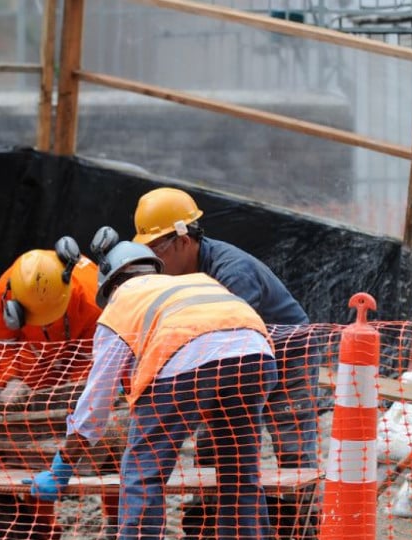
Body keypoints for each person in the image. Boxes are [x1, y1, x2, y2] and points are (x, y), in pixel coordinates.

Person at [27, 240, 278, 540]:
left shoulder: (120, 307)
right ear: (151, 269)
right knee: (241, 478)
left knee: (143, 481)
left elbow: (96, 403)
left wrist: (61, 468)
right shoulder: (193, 281)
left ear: (109, 283)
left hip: (184, 362)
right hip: (256, 354)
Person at [128, 186, 317, 471]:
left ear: (182, 240)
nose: (154, 259)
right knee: (214, 443)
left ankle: (301, 514)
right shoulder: (181, 274)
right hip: (241, 355)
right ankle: (203, 512)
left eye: (156, 249)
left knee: (292, 442)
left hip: (289, 351)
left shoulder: (233, 272)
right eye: (147, 250)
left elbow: (222, 338)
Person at [0, 236, 101, 403]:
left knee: (84, 395)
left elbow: (90, 354)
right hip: (33, 353)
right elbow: (3, 342)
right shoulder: (5, 294)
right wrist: (10, 378)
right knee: (31, 380)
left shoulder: (92, 298)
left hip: (78, 347)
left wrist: (78, 390)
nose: (46, 323)